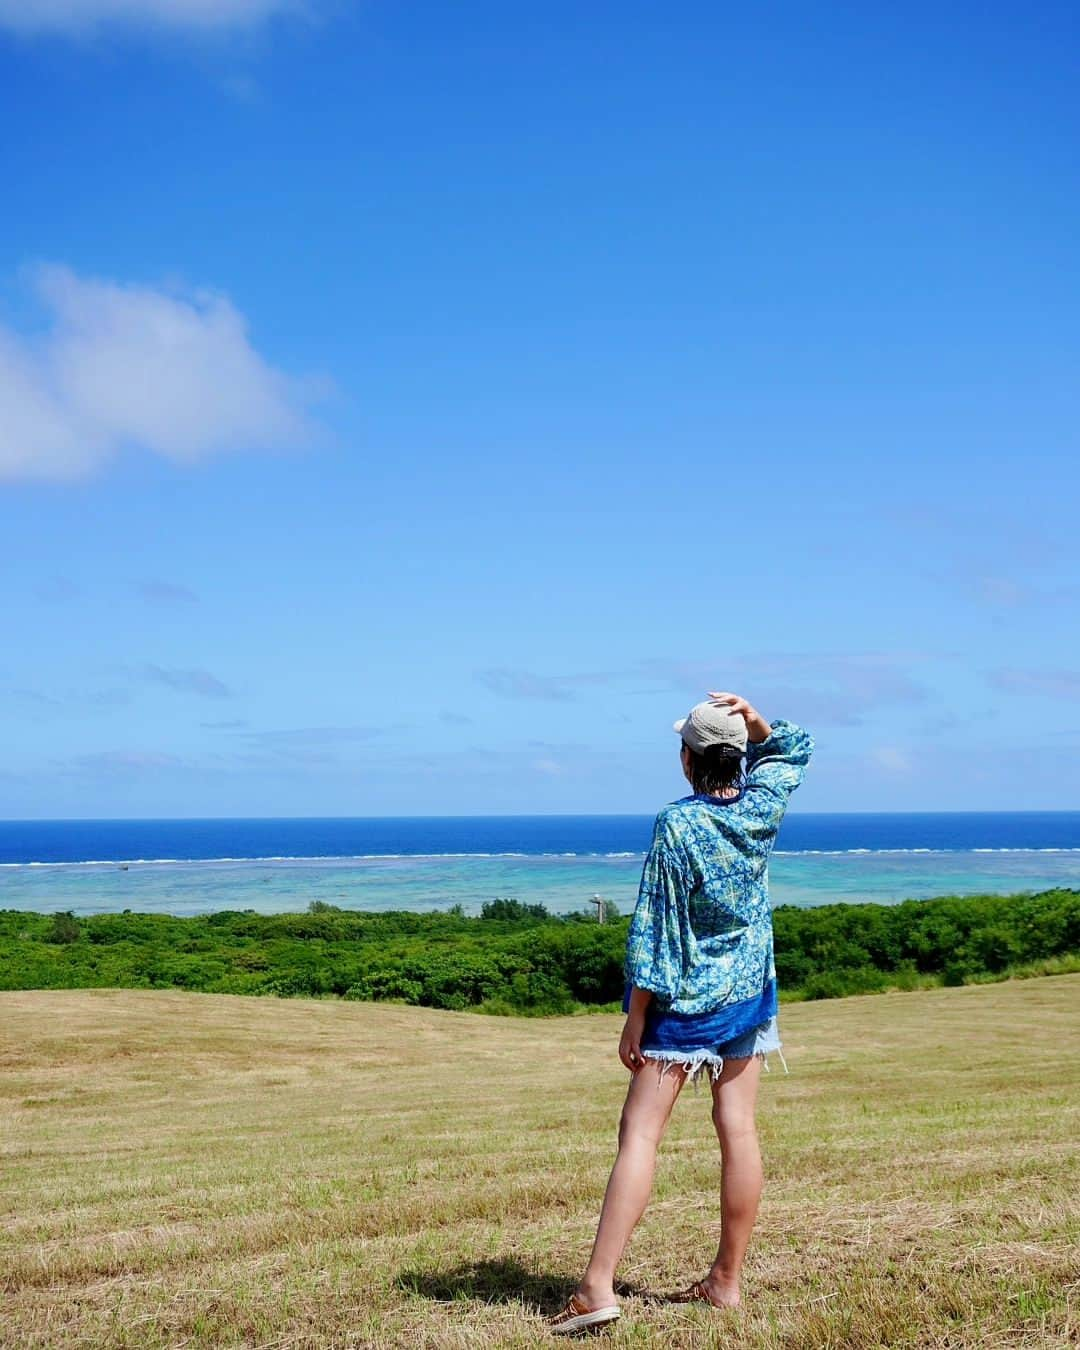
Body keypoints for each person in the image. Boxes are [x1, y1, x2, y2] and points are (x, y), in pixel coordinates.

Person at [548, 691, 814, 1336]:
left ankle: (596, 1288)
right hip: (748, 994)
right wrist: (758, 721)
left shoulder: (678, 824)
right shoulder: (762, 807)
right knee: (739, 1131)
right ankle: (726, 1280)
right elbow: (795, 750)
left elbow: (656, 930)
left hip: (685, 1006)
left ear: (686, 759)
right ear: (739, 756)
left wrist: (635, 1015)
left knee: (640, 1137)